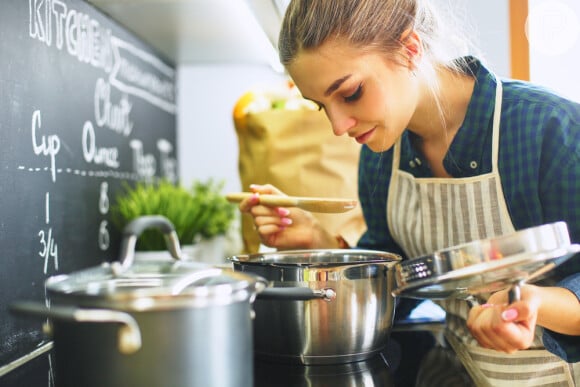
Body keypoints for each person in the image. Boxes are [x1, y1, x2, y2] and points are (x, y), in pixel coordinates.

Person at [237, 0, 580, 385]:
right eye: (321, 106)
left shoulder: (551, 130)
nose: (338, 126)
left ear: (410, 48)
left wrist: (533, 303)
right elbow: (398, 288)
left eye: (350, 93)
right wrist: (320, 242)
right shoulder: (382, 157)